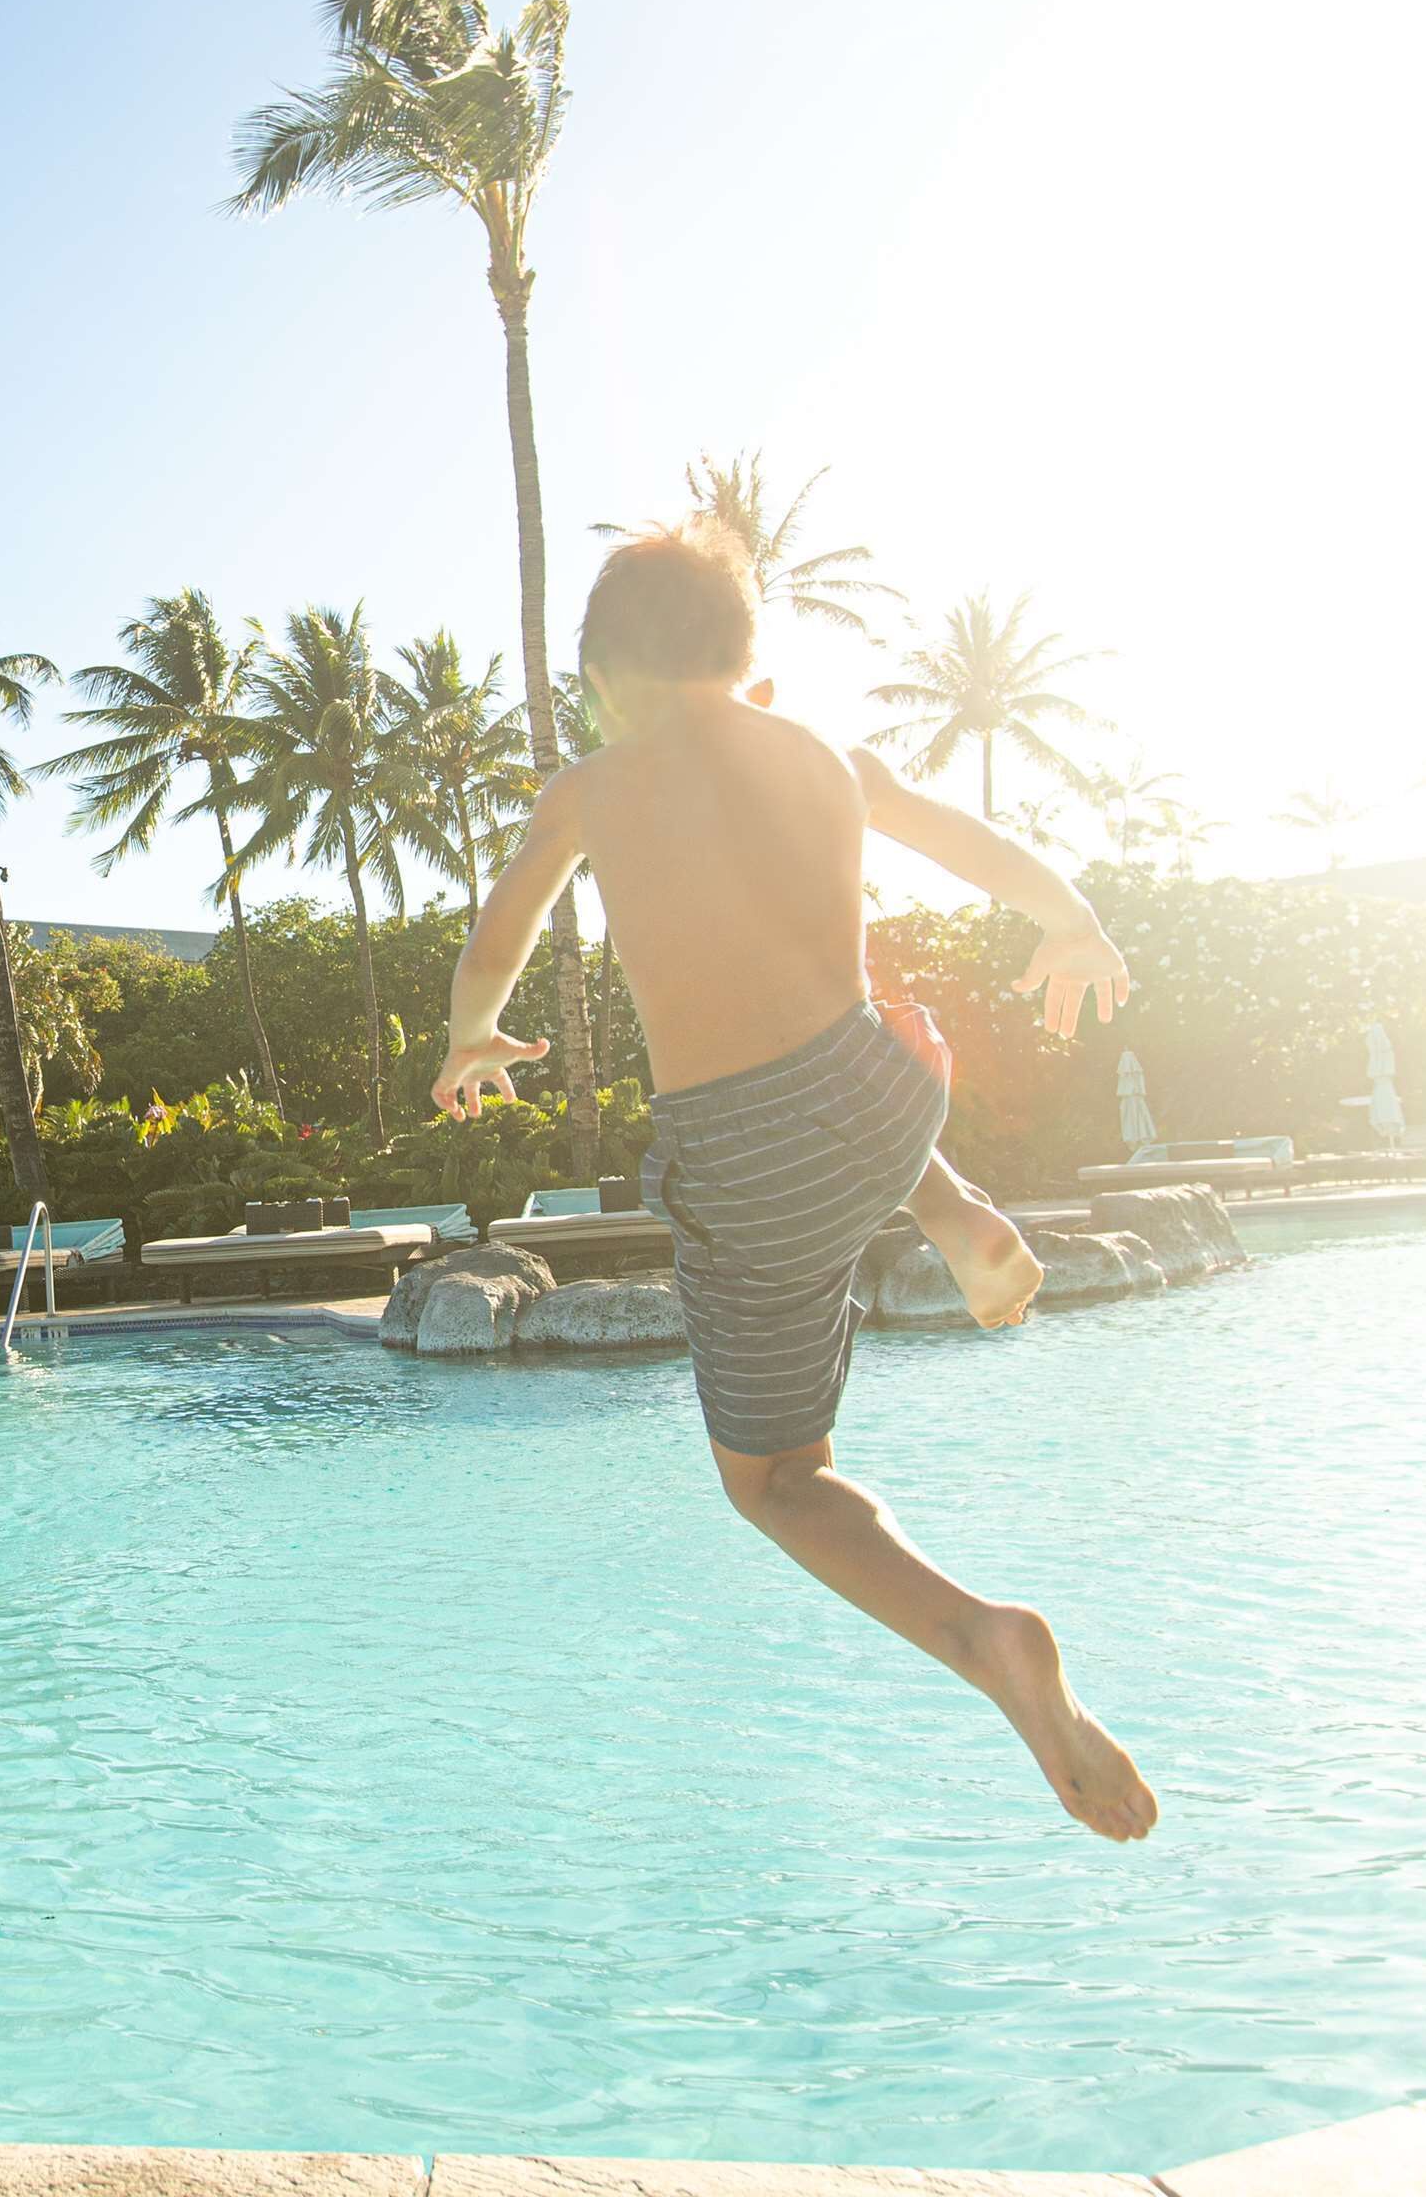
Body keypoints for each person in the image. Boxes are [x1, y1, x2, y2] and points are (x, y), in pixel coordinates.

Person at [430, 521, 1159, 1841]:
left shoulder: (590, 792)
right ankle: (955, 1209)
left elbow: (501, 933)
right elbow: (975, 845)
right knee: (853, 1029)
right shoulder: (829, 756)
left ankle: (982, 1635)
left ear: (598, 677)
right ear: (747, 659)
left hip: (743, 1162)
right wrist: (1075, 924)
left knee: (775, 1482)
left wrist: (471, 1033)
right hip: (887, 1093)